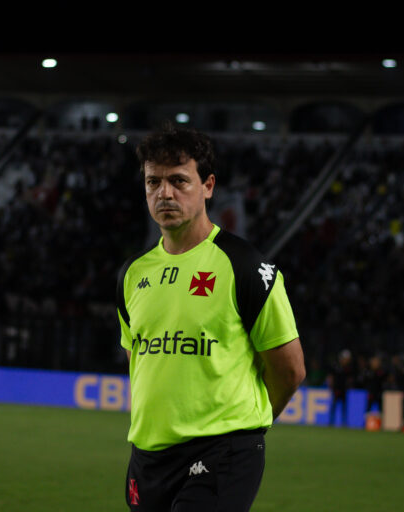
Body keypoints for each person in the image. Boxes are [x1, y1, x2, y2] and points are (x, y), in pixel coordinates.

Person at [116, 123, 305, 512]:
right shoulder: (132, 274)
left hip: (223, 451)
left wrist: (246, 427)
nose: (164, 193)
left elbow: (289, 370)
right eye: (153, 182)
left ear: (208, 186)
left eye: (179, 181)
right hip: (148, 457)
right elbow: (141, 364)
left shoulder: (245, 265)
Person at [327, 349, 355, 426]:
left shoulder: (348, 368)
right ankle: (331, 422)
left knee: (344, 407)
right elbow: (330, 377)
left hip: (343, 390)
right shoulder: (335, 366)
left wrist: (349, 385)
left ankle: (344, 423)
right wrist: (330, 385)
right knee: (334, 406)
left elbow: (350, 379)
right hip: (336, 389)